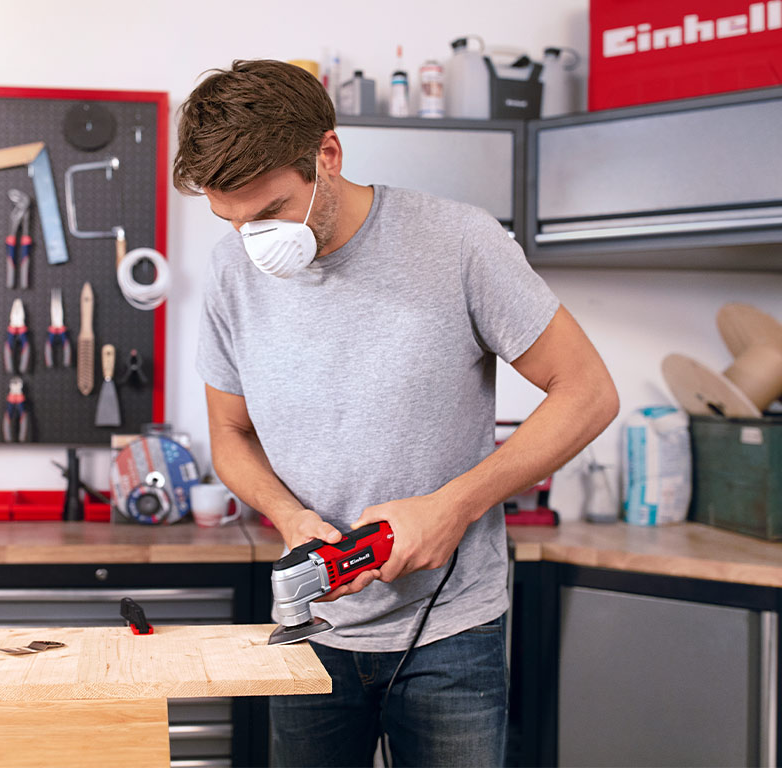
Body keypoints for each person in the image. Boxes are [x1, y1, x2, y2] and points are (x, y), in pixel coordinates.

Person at [173, 59, 619, 767]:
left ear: (327, 155)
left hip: (451, 633)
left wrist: (453, 507)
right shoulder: (234, 275)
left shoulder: (460, 242)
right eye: (230, 222)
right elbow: (229, 434)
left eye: (269, 214)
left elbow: (588, 391)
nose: (252, 244)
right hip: (313, 628)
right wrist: (290, 519)